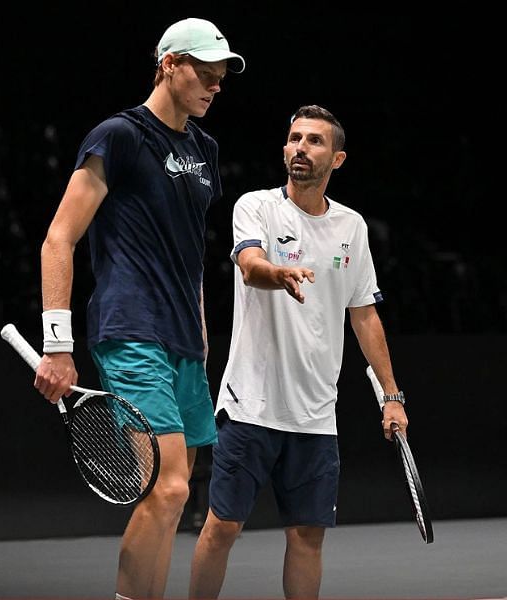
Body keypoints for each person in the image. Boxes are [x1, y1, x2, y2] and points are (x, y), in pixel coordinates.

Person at [32, 17, 245, 600]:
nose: (214, 86)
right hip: (130, 328)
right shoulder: (118, 136)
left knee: (168, 498)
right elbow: (59, 238)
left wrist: (200, 334)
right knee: (170, 486)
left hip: (184, 342)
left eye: (221, 77)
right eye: (204, 73)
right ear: (169, 64)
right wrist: (57, 343)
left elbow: (191, 251)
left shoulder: (205, 150)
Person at [188, 105, 408, 599]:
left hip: (314, 415)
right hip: (251, 407)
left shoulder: (353, 228)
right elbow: (249, 263)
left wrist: (392, 396)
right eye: (293, 138)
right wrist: (279, 273)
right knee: (221, 527)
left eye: (313, 141)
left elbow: (364, 314)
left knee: (307, 538)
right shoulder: (257, 206)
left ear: (338, 158)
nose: (299, 148)